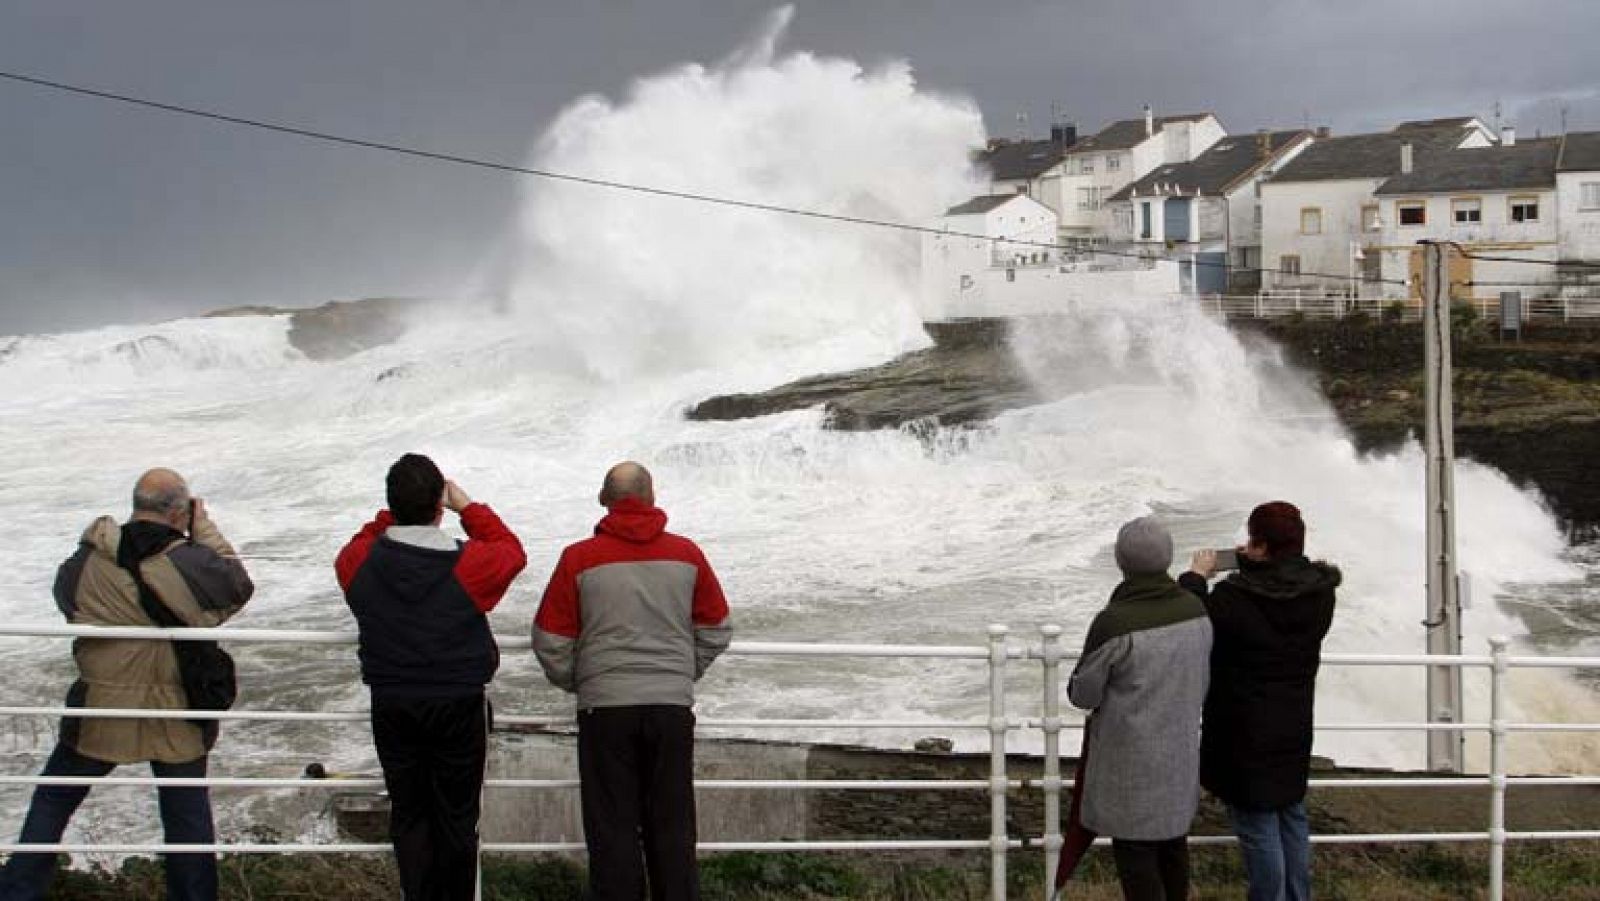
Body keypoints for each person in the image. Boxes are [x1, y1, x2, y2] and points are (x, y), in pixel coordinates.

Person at [0, 469, 253, 901]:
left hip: (103, 704)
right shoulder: (187, 562)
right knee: (186, 815)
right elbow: (235, 586)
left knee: (54, 800)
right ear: (179, 512)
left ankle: (18, 891)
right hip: (175, 705)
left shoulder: (87, 560)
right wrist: (203, 528)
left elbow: (68, 601)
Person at [533, 461, 731, 901]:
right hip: (670, 707)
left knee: (612, 828)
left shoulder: (578, 558)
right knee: (673, 826)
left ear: (604, 499)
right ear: (652, 497)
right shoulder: (687, 555)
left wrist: (584, 680)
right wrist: (682, 671)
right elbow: (717, 628)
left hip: (604, 709)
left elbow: (550, 639)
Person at [335, 454, 526, 901]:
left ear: (391, 505)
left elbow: (361, 540)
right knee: (457, 817)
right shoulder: (466, 565)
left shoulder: (360, 560)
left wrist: (394, 513)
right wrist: (468, 508)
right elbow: (510, 551)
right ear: (439, 508)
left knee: (409, 813)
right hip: (457, 700)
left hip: (392, 699)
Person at [1180, 501, 1339, 901]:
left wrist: (1196, 577)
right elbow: (1278, 594)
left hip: (1243, 730)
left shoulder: (1234, 599)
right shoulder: (1320, 593)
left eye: (1253, 540)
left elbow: (1191, 621)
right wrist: (1256, 562)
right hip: (1293, 724)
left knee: (1258, 824)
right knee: (1290, 814)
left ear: (1263, 546)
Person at [1066, 516, 1212, 901]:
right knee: (1173, 847)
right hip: (1179, 758)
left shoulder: (1115, 622)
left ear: (1120, 560)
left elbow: (1083, 695)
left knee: (1137, 857)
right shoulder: (1197, 610)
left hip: (1130, 770)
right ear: (1168, 558)